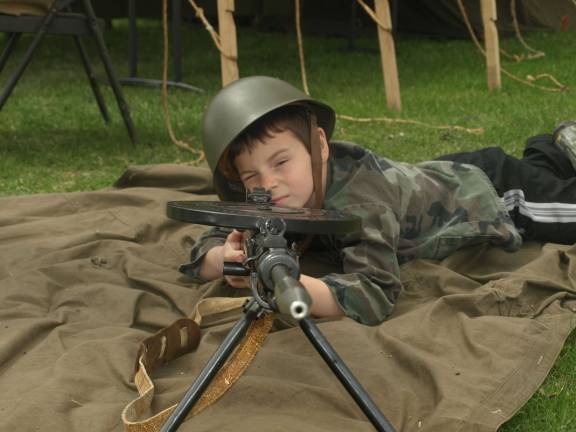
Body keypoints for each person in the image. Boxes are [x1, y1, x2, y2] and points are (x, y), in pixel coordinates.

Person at [180, 76, 576, 326]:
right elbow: (212, 238)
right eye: (252, 177)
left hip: (488, 192)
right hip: (432, 178)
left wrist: (291, 285)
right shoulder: (274, 195)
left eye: (281, 162)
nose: (271, 184)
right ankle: (552, 147)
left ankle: (554, 154)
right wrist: (225, 259)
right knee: (542, 168)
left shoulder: (362, 202)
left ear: (319, 146)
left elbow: (373, 293)